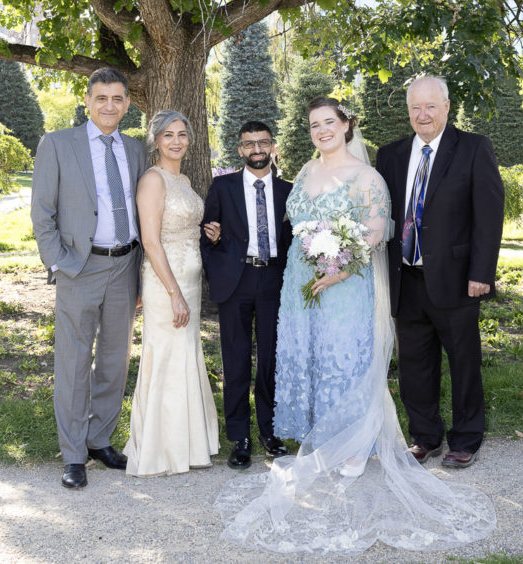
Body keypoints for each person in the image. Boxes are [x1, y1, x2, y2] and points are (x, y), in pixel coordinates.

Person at [214, 97, 496, 554]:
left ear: (347, 125)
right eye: (314, 125)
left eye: (329, 122)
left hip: (345, 283)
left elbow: (375, 232)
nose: (322, 130)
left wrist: (338, 270)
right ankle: (322, 434)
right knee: (309, 355)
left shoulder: (367, 177)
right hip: (301, 281)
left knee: (343, 356)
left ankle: (353, 446)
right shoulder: (305, 171)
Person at [377, 76, 505, 469]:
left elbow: (489, 215)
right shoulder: (391, 155)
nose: (423, 114)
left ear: (447, 107)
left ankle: (466, 439)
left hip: (457, 279)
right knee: (415, 365)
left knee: (463, 363)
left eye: (430, 106)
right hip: (406, 278)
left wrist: (482, 272)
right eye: (415, 107)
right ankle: (425, 436)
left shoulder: (473, 148)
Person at [31, 68, 147, 489]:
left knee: (115, 360)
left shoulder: (135, 149)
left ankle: (100, 440)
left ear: (127, 104)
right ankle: (74, 454)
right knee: (74, 362)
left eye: (117, 98)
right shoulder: (58, 144)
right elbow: (42, 213)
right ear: (87, 101)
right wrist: (59, 263)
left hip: (125, 265)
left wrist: (143, 271)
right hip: (79, 267)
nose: (109, 106)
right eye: (101, 98)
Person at [123, 111, 219, 476]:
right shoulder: (153, 180)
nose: (176, 141)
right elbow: (151, 241)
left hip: (190, 282)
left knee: (185, 356)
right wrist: (174, 293)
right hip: (167, 285)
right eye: (168, 135)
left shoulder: (185, 180)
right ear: (156, 141)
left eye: (181, 134)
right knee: (165, 358)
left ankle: (189, 446)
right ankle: (161, 450)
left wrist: (208, 231)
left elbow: (184, 227)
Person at [200, 121, 292, 470]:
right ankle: (239, 437)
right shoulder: (222, 187)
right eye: (249, 143)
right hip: (235, 283)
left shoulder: (288, 191)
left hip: (274, 280)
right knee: (235, 359)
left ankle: (270, 431)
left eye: (263, 142)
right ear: (240, 149)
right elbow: (206, 235)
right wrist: (214, 254)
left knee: (270, 359)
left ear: (272, 146)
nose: (256, 149)